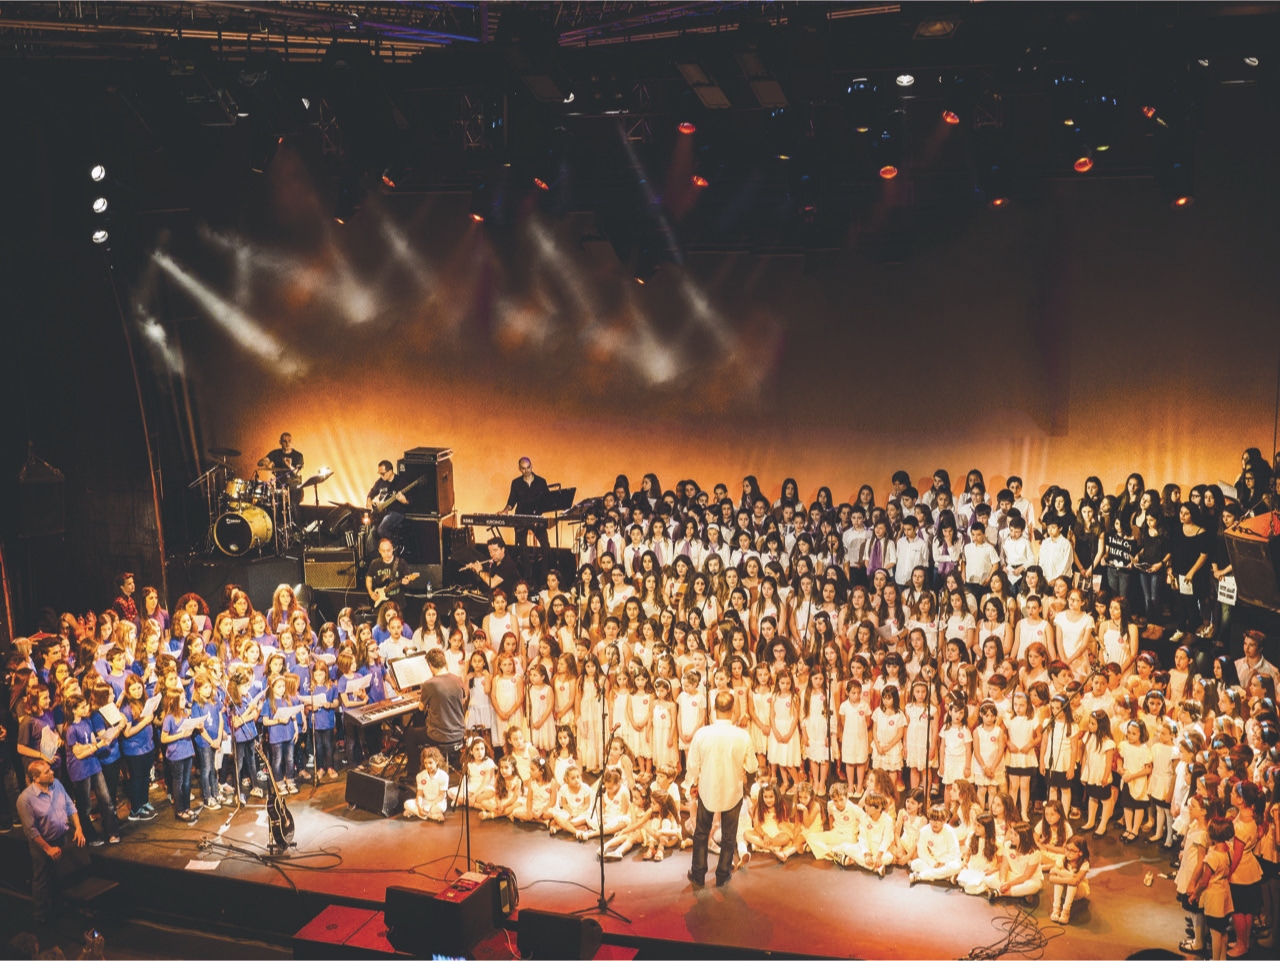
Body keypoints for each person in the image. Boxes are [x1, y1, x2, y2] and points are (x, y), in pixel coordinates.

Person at [686, 690, 758, 888]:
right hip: (732, 790)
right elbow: (752, 766)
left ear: (714, 709)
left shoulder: (702, 733)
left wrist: (692, 783)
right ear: (733, 710)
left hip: (707, 788)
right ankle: (723, 873)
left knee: (701, 832)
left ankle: (698, 873)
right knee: (729, 834)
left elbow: (692, 765)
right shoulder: (742, 735)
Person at [17, 759, 85, 924]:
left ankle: (60, 906)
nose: (52, 772)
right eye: (47, 772)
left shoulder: (57, 785)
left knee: (62, 873)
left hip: (61, 838)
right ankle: (41, 914)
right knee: (42, 877)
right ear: (36, 778)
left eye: (50, 769)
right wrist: (48, 848)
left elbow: (70, 806)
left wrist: (78, 828)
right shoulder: (25, 799)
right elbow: (31, 831)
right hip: (42, 844)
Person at [404, 649, 466, 780]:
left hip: (440, 735)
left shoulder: (429, 684)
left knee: (410, 734)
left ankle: (413, 774)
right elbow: (462, 700)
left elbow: (421, 708)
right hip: (459, 733)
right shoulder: (458, 680)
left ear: (430, 665)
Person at [504, 457, 551, 549]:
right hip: (521, 517)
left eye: (528, 467)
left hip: (536, 517)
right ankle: (524, 558)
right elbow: (511, 501)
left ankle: (546, 559)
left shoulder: (541, 481)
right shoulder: (516, 483)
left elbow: (547, 499)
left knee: (545, 545)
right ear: (520, 469)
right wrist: (505, 510)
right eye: (523, 468)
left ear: (531, 466)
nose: (526, 471)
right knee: (522, 548)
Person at [365, 538, 415, 609]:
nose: (386, 553)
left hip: (398, 603)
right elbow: (369, 579)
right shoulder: (375, 563)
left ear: (393, 549)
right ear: (379, 551)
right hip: (381, 604)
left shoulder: (401, 563)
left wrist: (407, 582)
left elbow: (409, 580)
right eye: (383, 551)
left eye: (388, 550)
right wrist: (370, 592)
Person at [366, 460, 409, 542]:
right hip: (383, 512)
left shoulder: (401, 482)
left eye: (383, 473)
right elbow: (372, 492)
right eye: (379, 473)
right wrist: (369, 501)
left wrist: (404, 501)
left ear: (390, 471)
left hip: (396, 512)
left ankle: (395, 545)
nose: (381, 476)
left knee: (382, 529)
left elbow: (410, 501)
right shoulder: (380, 482)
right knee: (372, 535)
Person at [258, 432, 304, 504]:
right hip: (280, 487)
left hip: (294, 488)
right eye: (284, 441)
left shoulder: (298, 455)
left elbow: (299, 473)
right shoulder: (275, 453)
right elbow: (260, 463)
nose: (287, 443)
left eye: (289, 441)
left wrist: (289, 466)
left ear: (292, 442)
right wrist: (266, 462)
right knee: (276, 504)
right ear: (280, 442)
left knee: (293, 506)